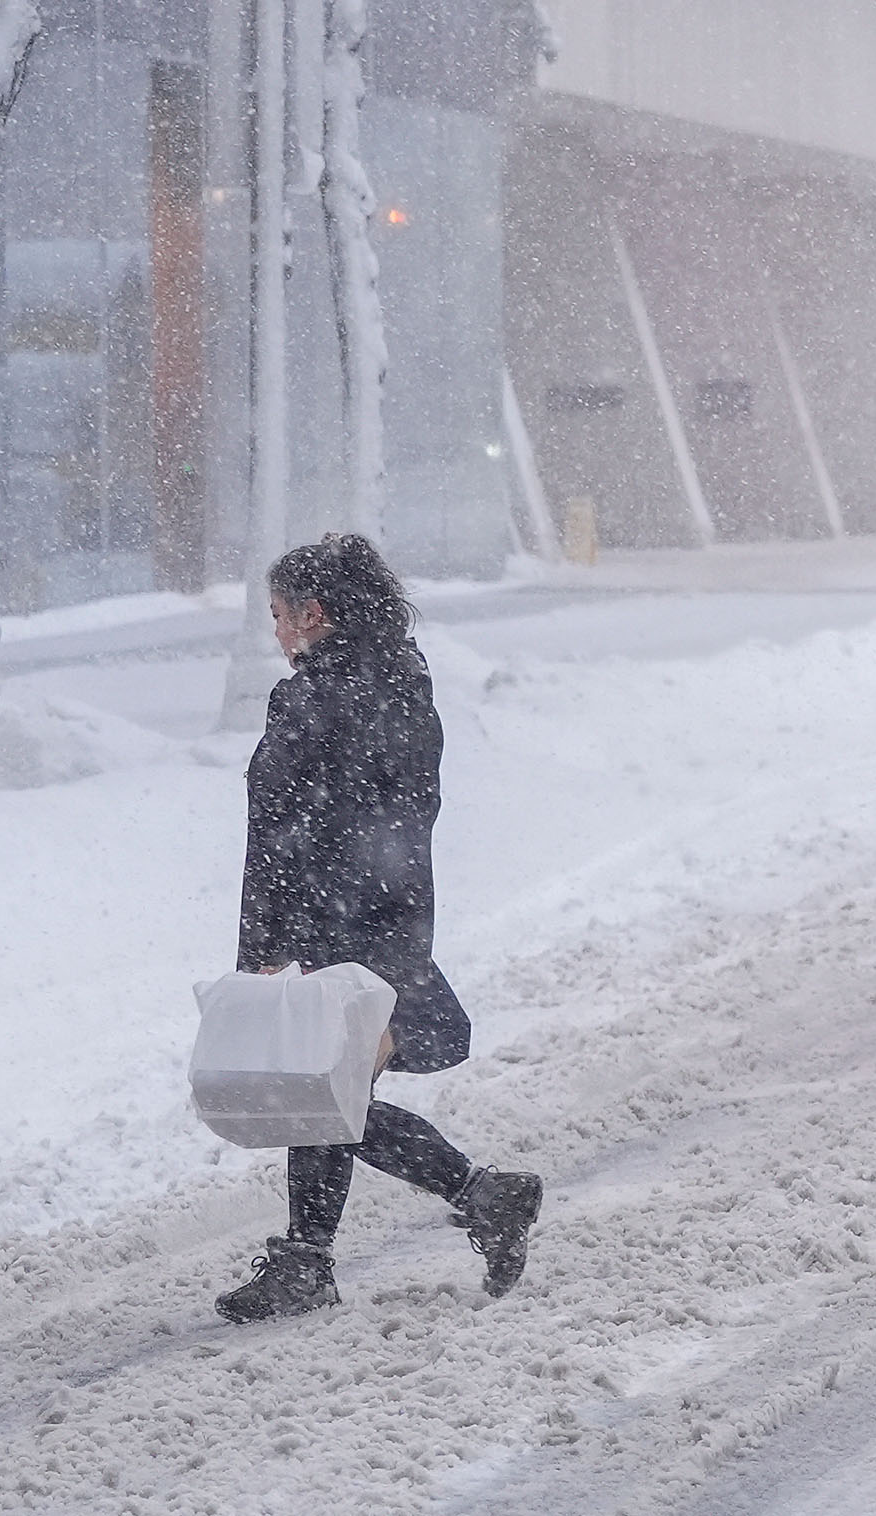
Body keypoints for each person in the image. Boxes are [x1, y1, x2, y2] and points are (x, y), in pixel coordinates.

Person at [214, 534, 547, 1321]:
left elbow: (275, 835)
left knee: (326, 1097)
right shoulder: (407, 688)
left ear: (314, 615)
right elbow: (405, 816)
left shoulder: (305, 701)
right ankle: (327, 1252)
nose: (275, 633)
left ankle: (460, 1203)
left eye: (278, 615)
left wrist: (261, 952)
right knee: (333, 1093)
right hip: (394, 920)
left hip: (332, 926)